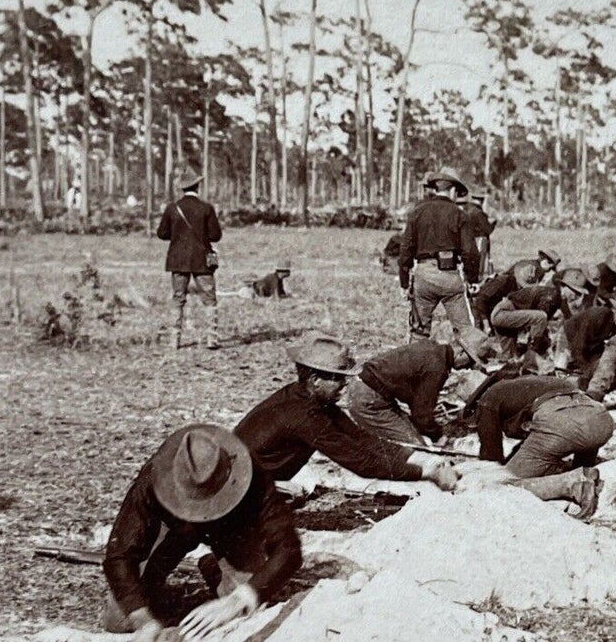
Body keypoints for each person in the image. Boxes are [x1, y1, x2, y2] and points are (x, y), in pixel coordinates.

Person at [101, 424, 301, 642]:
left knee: (249, 612)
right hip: (176, 530)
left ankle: (215, 568)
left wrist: (241, 598)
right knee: (119, 618)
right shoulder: (155, 477)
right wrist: (143, 620)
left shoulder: (252, 475)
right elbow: (118, 555)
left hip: (229, 531)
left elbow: (289, 548)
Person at [234, 334, 458, 491]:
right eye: (337, 378)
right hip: (237, 487)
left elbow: (360, 437)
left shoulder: (305, 398)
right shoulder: (304, 418)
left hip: (243, 476)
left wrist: (416, 456)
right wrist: (425, 473)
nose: (344, 384)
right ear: (315, 380)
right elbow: (361, 462)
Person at [469, 375, 610, 518]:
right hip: (600, 419)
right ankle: (583, 472)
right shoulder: (532, 385)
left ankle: (575, 485)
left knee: (502, 483)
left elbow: (491, 460)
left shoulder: (486, 401)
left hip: (565, 424)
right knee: (569, 433)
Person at [399, 167, 481, 341]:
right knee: (466, 330)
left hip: (424, 274)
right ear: (452, 190)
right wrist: (472, 279)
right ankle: (476, 364)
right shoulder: (460, 215)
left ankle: (415, 364)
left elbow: (405, 250)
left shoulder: (417, 212)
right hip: (450, 275)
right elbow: (470, 252)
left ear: (435, 188)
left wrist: (404, 283)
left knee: (419, 330)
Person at [344, 337, 461, 446]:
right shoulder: (437, 366)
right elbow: (421, 412)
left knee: (413, 431)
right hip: (368, 401)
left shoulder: (432, 348)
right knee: (417, 446)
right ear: (461, 353)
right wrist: (437, 435)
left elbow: (415, 399)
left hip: (366, 391)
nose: (468, 367)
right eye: (471, 361)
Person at [156, 171, 222, 350]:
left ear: (182, 189)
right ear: (197, 187)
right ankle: (212, 339)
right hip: (202, 260)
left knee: (178, 299)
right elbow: (216, 235)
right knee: (209, 299)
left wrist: (177, 235)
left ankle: (174, 340)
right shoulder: (206, 208)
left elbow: (162, 234)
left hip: (178, 260)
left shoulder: (172, 208)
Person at [561, 295, 616, 386]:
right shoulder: (599, 314)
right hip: (568, 337)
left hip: (589, 344)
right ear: (614, 310)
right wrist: (586, 370)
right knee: (560, 373)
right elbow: (579, 343)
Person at [462, 183, 496, 282]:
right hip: (479, 241)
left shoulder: (467, 210)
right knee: (479, 267)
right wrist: (493, 223)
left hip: (468, 240)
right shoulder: (478, 213)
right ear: (481, 200)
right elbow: (488, 229)